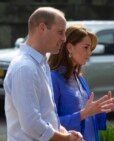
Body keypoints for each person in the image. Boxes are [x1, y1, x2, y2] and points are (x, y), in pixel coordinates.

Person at [4, 7, 83, 141]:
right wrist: (66, 139)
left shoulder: (40, 64)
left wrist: (64, 133)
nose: (64, 39)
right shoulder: (25, 67)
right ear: (42, 28)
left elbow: (46, 114)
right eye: (60, 32)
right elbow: (31, 123)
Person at [48, 25, 114, 141]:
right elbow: (48, 123)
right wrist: (83, 114)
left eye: (90, 49)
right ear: (69, 47)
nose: (89, 53)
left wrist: (101, 109)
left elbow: (88, 116)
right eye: (86, 47)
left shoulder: (79, 78)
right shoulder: (53, 78)